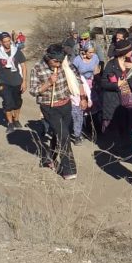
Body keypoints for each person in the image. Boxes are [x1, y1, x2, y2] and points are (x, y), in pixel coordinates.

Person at [28, 44, 83, 180]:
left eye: (60, 61)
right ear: (48, 57)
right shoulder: (37, 68)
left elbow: (78, 79)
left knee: (58, 134)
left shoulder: (65, 64)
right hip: (49, 107)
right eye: (55, 61)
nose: (57, 64)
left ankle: (48, 158)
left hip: (66, 104)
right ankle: (69, 170)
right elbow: (33, 91)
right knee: (64, 136)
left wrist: (83, 97)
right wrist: (48, 83)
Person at [100, 39, 132, 142]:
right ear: (124, 52)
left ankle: (131, 140)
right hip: (116, 97)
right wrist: (116, 84)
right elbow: (103, 83)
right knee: (116, 123)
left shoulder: (130, 61)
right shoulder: (111, 65)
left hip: (129, 95)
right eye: (130, 50)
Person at [0, 32, 27, 133]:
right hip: (3, 82)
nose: (7, 43)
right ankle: (10, 123)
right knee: (7, 103)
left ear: (10, 40)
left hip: (17, 81)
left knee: (17, 102)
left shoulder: (16, 51)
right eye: (4, 42)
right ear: (1, 42)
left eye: (8, 41)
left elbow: (23, 66)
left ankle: (16, 120)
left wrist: (24, 82)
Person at [70, 45, 101, 145]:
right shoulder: (77, 60)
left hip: (92, 83)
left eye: (93, 52)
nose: (92, 54)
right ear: (84, 52)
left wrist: (97, 82)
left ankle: (94, 129)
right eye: (90, 52)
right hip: (80, 83)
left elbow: (96, 70)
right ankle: (81, 130)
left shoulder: (95, 57)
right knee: (81, 108)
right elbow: (74, 72)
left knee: (93, 106)